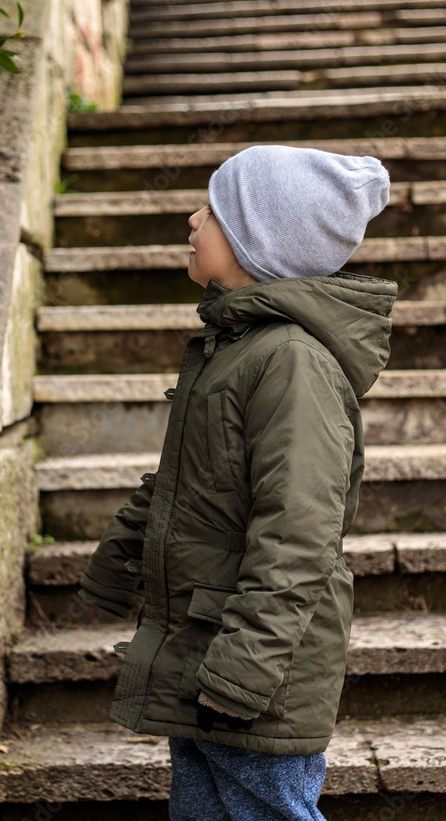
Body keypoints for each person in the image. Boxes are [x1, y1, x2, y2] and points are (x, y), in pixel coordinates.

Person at [79, 144, 398, 821]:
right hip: (204, 647)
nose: (192, 220)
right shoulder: (237, 346)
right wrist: (117, 561)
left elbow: (299, 532)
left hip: (254, 668)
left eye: (212, 210)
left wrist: (245, 669)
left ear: (257, 242)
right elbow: (186, 481)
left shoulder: (291, 361)